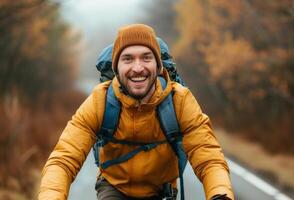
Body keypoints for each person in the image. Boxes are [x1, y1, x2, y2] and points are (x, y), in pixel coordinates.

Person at [38, 24, 234, 200]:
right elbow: (64, 159)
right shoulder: (100, 101)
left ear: (158, 66)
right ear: (116, 67)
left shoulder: (179, 100)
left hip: (162, 191)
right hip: (114, 188)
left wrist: (219, 194)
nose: (138, 68)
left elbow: (208, 156)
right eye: (128, 59)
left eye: (146, 58)